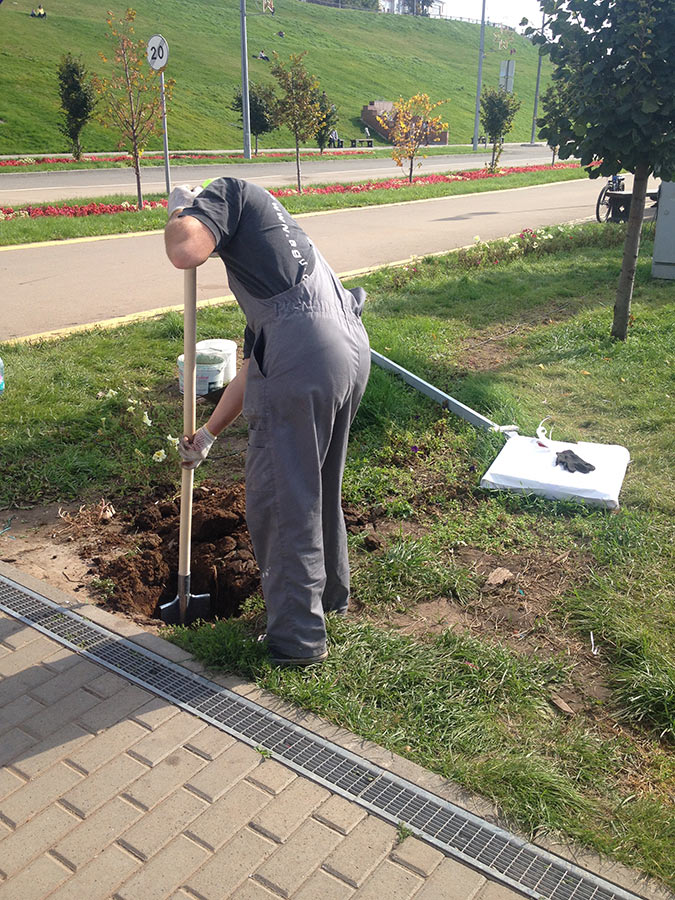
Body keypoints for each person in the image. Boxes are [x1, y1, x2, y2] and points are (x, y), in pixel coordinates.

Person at [165, 179, 370, 667]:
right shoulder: (280, 251)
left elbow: (185, 250)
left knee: (281, 499)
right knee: (316, 485)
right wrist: (208, 435)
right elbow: (260, 365)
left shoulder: (230, 192)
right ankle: (328, 602)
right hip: (343, 347)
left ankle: (297, 642)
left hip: (306, 353)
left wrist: (177, 213)